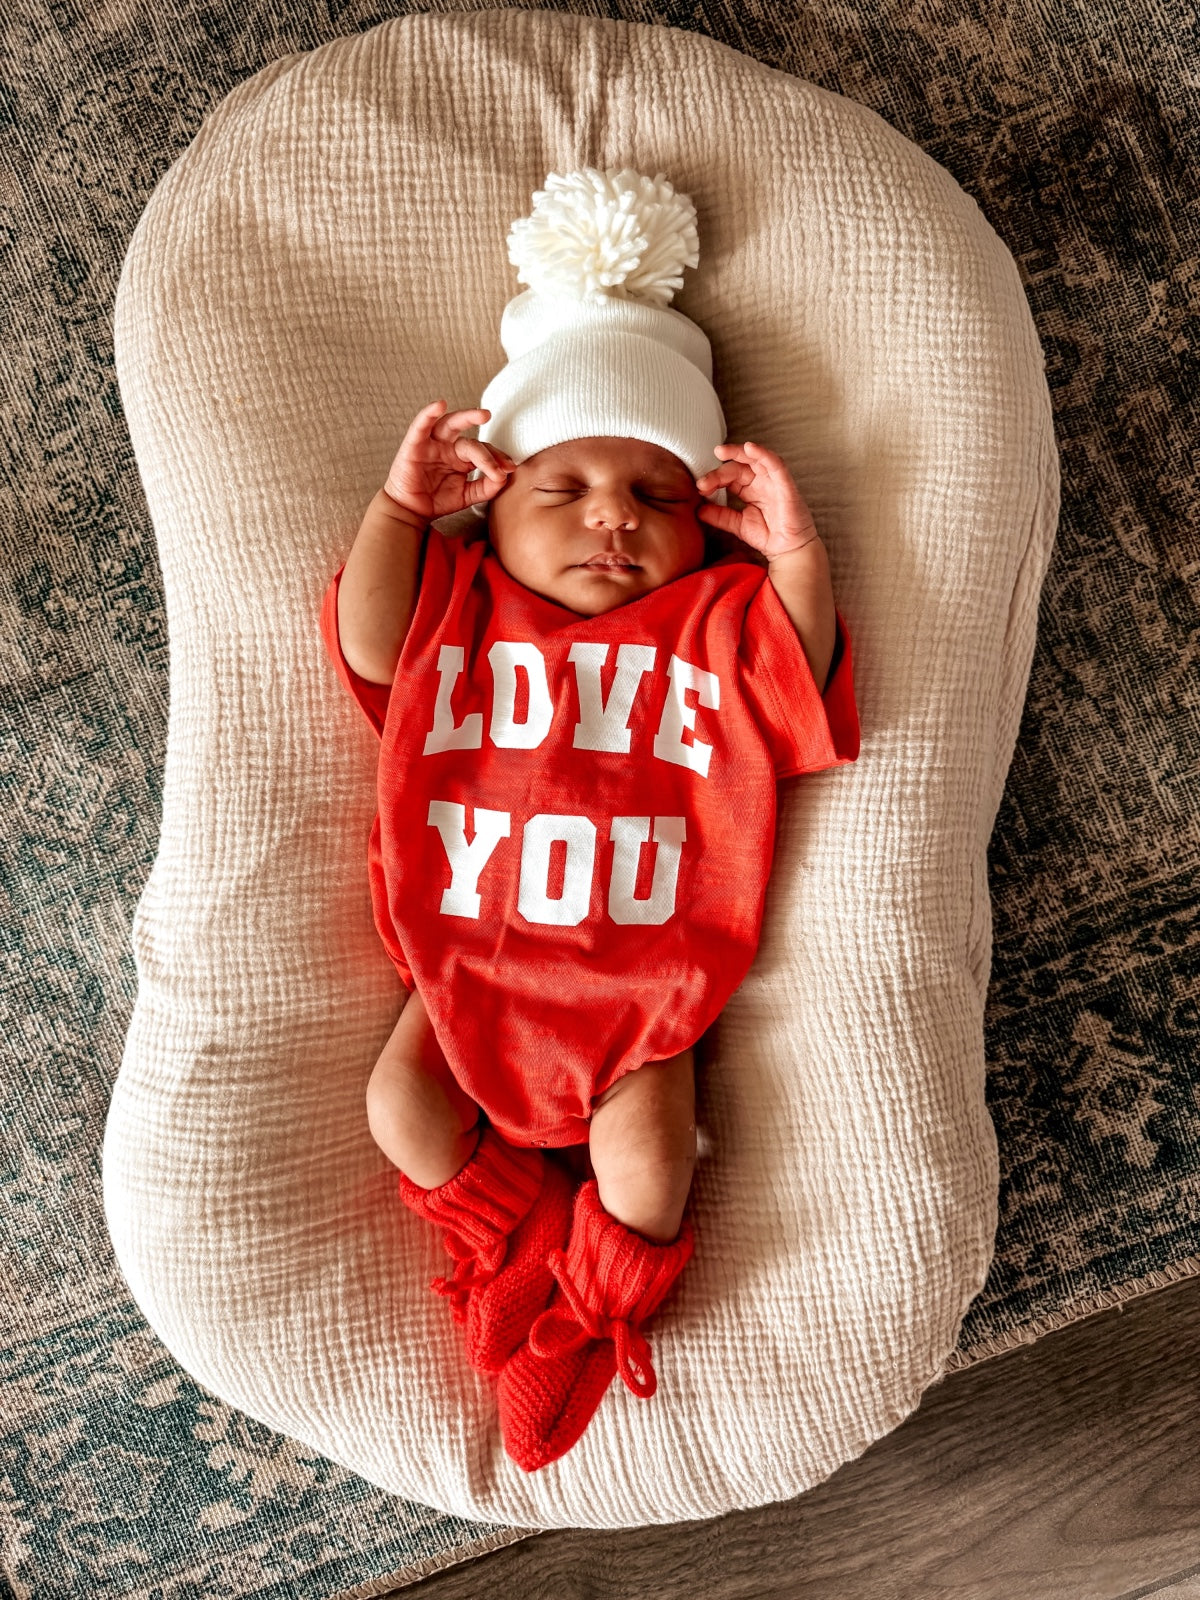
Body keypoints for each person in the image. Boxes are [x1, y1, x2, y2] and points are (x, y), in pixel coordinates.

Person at [320, 167, 860, 1472]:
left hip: (642, 989)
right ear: (489, 508)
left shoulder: (713, 627)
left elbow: (801, 670)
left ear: (702, 523)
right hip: (474, 967)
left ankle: (583, 1314)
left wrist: (794, 555)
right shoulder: (459, 602)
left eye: (657, 496)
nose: (615, 515)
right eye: (564, 491)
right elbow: (368, 638)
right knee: (403, 1106)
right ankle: (504, 1244)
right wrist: (401, 512)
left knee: (649, 1169)